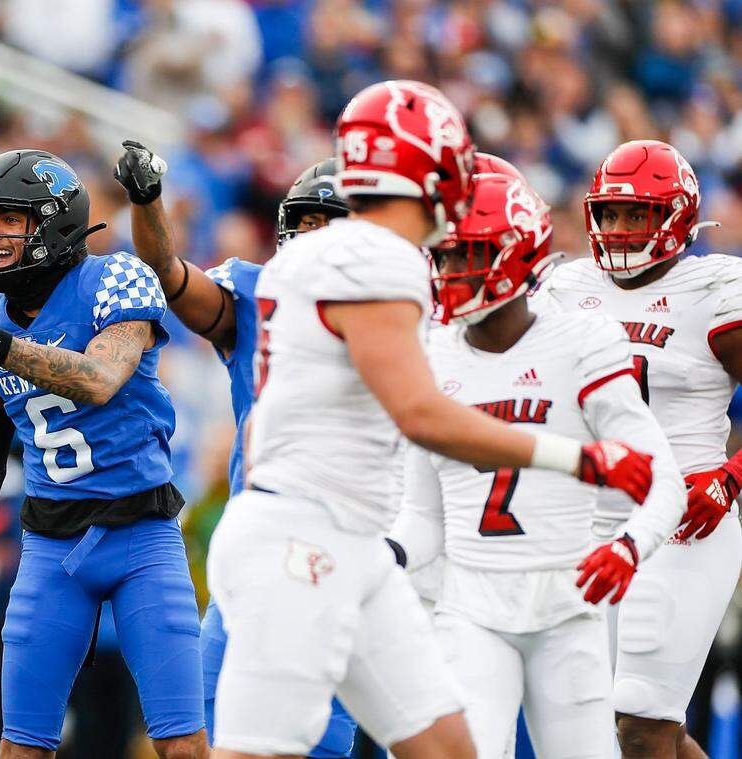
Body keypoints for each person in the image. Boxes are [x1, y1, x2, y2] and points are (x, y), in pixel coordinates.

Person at [204, 79, 658, 759]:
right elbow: (421, 413)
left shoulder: (319, 253)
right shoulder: (377, 256)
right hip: (302, 539)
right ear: (433, 167)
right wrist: (576, 458)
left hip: (348, 537)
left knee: (449, 749)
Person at [0, 149, 208, 759]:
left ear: (53, 223)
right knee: (22, 747)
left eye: (10, 220)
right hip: (51, 548)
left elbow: (99, 379)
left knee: (182, 744)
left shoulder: (114, 279)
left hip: (143, 537)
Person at [387, 169, 685, 757]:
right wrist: (387, 556)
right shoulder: (428, 354)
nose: (449, 273)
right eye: (443, 256)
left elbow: (664, 481)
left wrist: (629, 545)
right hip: (469, 606)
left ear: (517, 252)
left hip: (567, 606)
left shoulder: (581, 342)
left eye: (467, 254)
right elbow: (425, 518)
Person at [114, 142, 358, 758]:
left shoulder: (400, 315)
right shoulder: (255, 296)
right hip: (255, 553)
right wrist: (147, 203)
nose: (310, 240)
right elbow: (170, 277)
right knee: (196, 733)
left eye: (327, 226)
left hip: (344, 552)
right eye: (300, 225)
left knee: (321, 736)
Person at [540, 139, 742, 759]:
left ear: (677, 216)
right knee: (611, 722)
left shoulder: (715, 287)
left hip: (684, 523)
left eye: (639, 215)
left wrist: (732, 476)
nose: (621, 229)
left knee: (643, 721)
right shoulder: (563, 286)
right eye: (610, 214)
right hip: (589, 528)